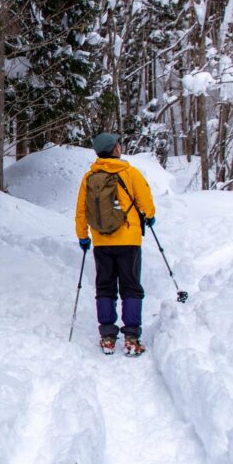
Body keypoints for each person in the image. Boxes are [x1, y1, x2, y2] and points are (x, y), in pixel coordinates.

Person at [75, 133, 156, 356]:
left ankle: (107, 336)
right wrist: (149, 216)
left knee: (105, 286)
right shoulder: (129, 173)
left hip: (102, 241)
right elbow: (146, 201)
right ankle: (131, 336)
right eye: (119, 144)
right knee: (130, 286)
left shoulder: (90, 177)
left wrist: (83, 236)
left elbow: (81, 210)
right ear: (115, 149)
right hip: (129, 239)